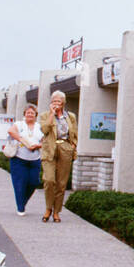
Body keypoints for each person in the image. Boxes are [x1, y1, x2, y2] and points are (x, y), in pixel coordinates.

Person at [38, 90, 78, 223]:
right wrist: (51, 114)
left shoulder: (70, 116)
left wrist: (72, 146)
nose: (56, 104)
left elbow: (74, 133)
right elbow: (44, 130)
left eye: (58, 101)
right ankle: (48, 208)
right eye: (53, 101)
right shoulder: (45, 115)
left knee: (61, 183)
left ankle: (56, 212)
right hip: (50, 149)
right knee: (49, 180)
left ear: (63, 103)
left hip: (65, 148)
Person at [7, 104, 44, 215]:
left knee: (34, 182)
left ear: (35, 115)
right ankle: (20, 208)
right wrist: (23, 140)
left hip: (34, 159)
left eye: (32, 113)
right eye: (28, 112)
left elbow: (45, 140)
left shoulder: (39, 126)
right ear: (24, 114)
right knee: (19, 183)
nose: (30, 114)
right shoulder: (19, 124)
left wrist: (37, 146)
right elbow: (11, 131)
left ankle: (22, 201)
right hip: (19, 159)